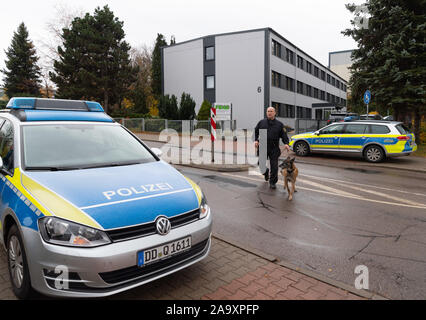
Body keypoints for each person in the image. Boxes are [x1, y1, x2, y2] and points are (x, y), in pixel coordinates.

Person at [254, 106, 290, 189]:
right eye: (268, 111)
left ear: (274, 113)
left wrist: (286, 143)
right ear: (266, 113)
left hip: (274, 147)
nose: (269, 113)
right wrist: (256, 140)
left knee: (274, 166)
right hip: (263, 146)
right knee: (261, 165)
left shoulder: (279, 124)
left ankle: (272, 182)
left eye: (271, 111)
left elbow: (284, 135)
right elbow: (256, 131)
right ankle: (265, 172)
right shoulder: (261, 122)